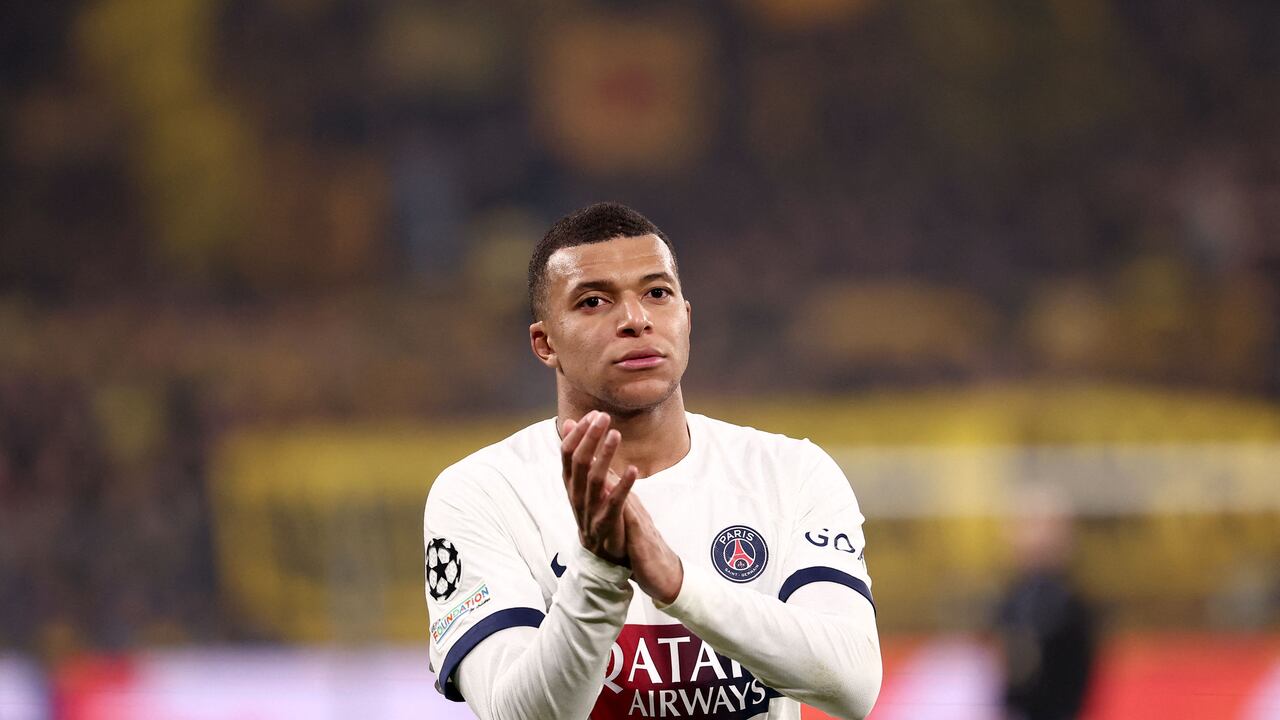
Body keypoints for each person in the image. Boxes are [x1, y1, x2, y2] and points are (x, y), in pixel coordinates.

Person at [424, 202, 881, 719]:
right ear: (545, 343)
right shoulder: (482, 493)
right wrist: (598, 570)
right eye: (593, 301)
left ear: (686, 318)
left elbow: (853, 684)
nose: (635, 320)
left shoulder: (790, 472)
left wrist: (679, 585)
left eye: (656, 293)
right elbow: (520, 715)